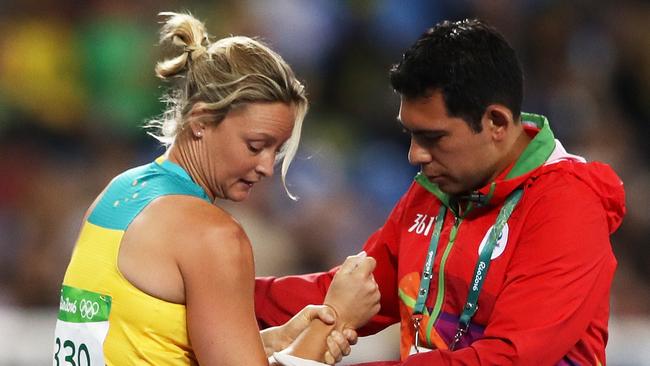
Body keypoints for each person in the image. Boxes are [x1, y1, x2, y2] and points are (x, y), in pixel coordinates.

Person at [254, 19, 626, 365]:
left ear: (495, 122)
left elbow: (507, 359)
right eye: (410, 134)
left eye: (433, 137)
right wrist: (216, 286)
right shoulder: (436, 190)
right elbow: (346, 293)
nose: (415, 154)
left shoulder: (567, 206)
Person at [53, 12, 380, 366]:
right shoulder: (213, 236)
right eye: (256, 146)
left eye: (277, 150)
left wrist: (272, 342)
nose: (267, 167)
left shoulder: (116, 192)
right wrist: (335, 318)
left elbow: (146, 339)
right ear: (200, 121)